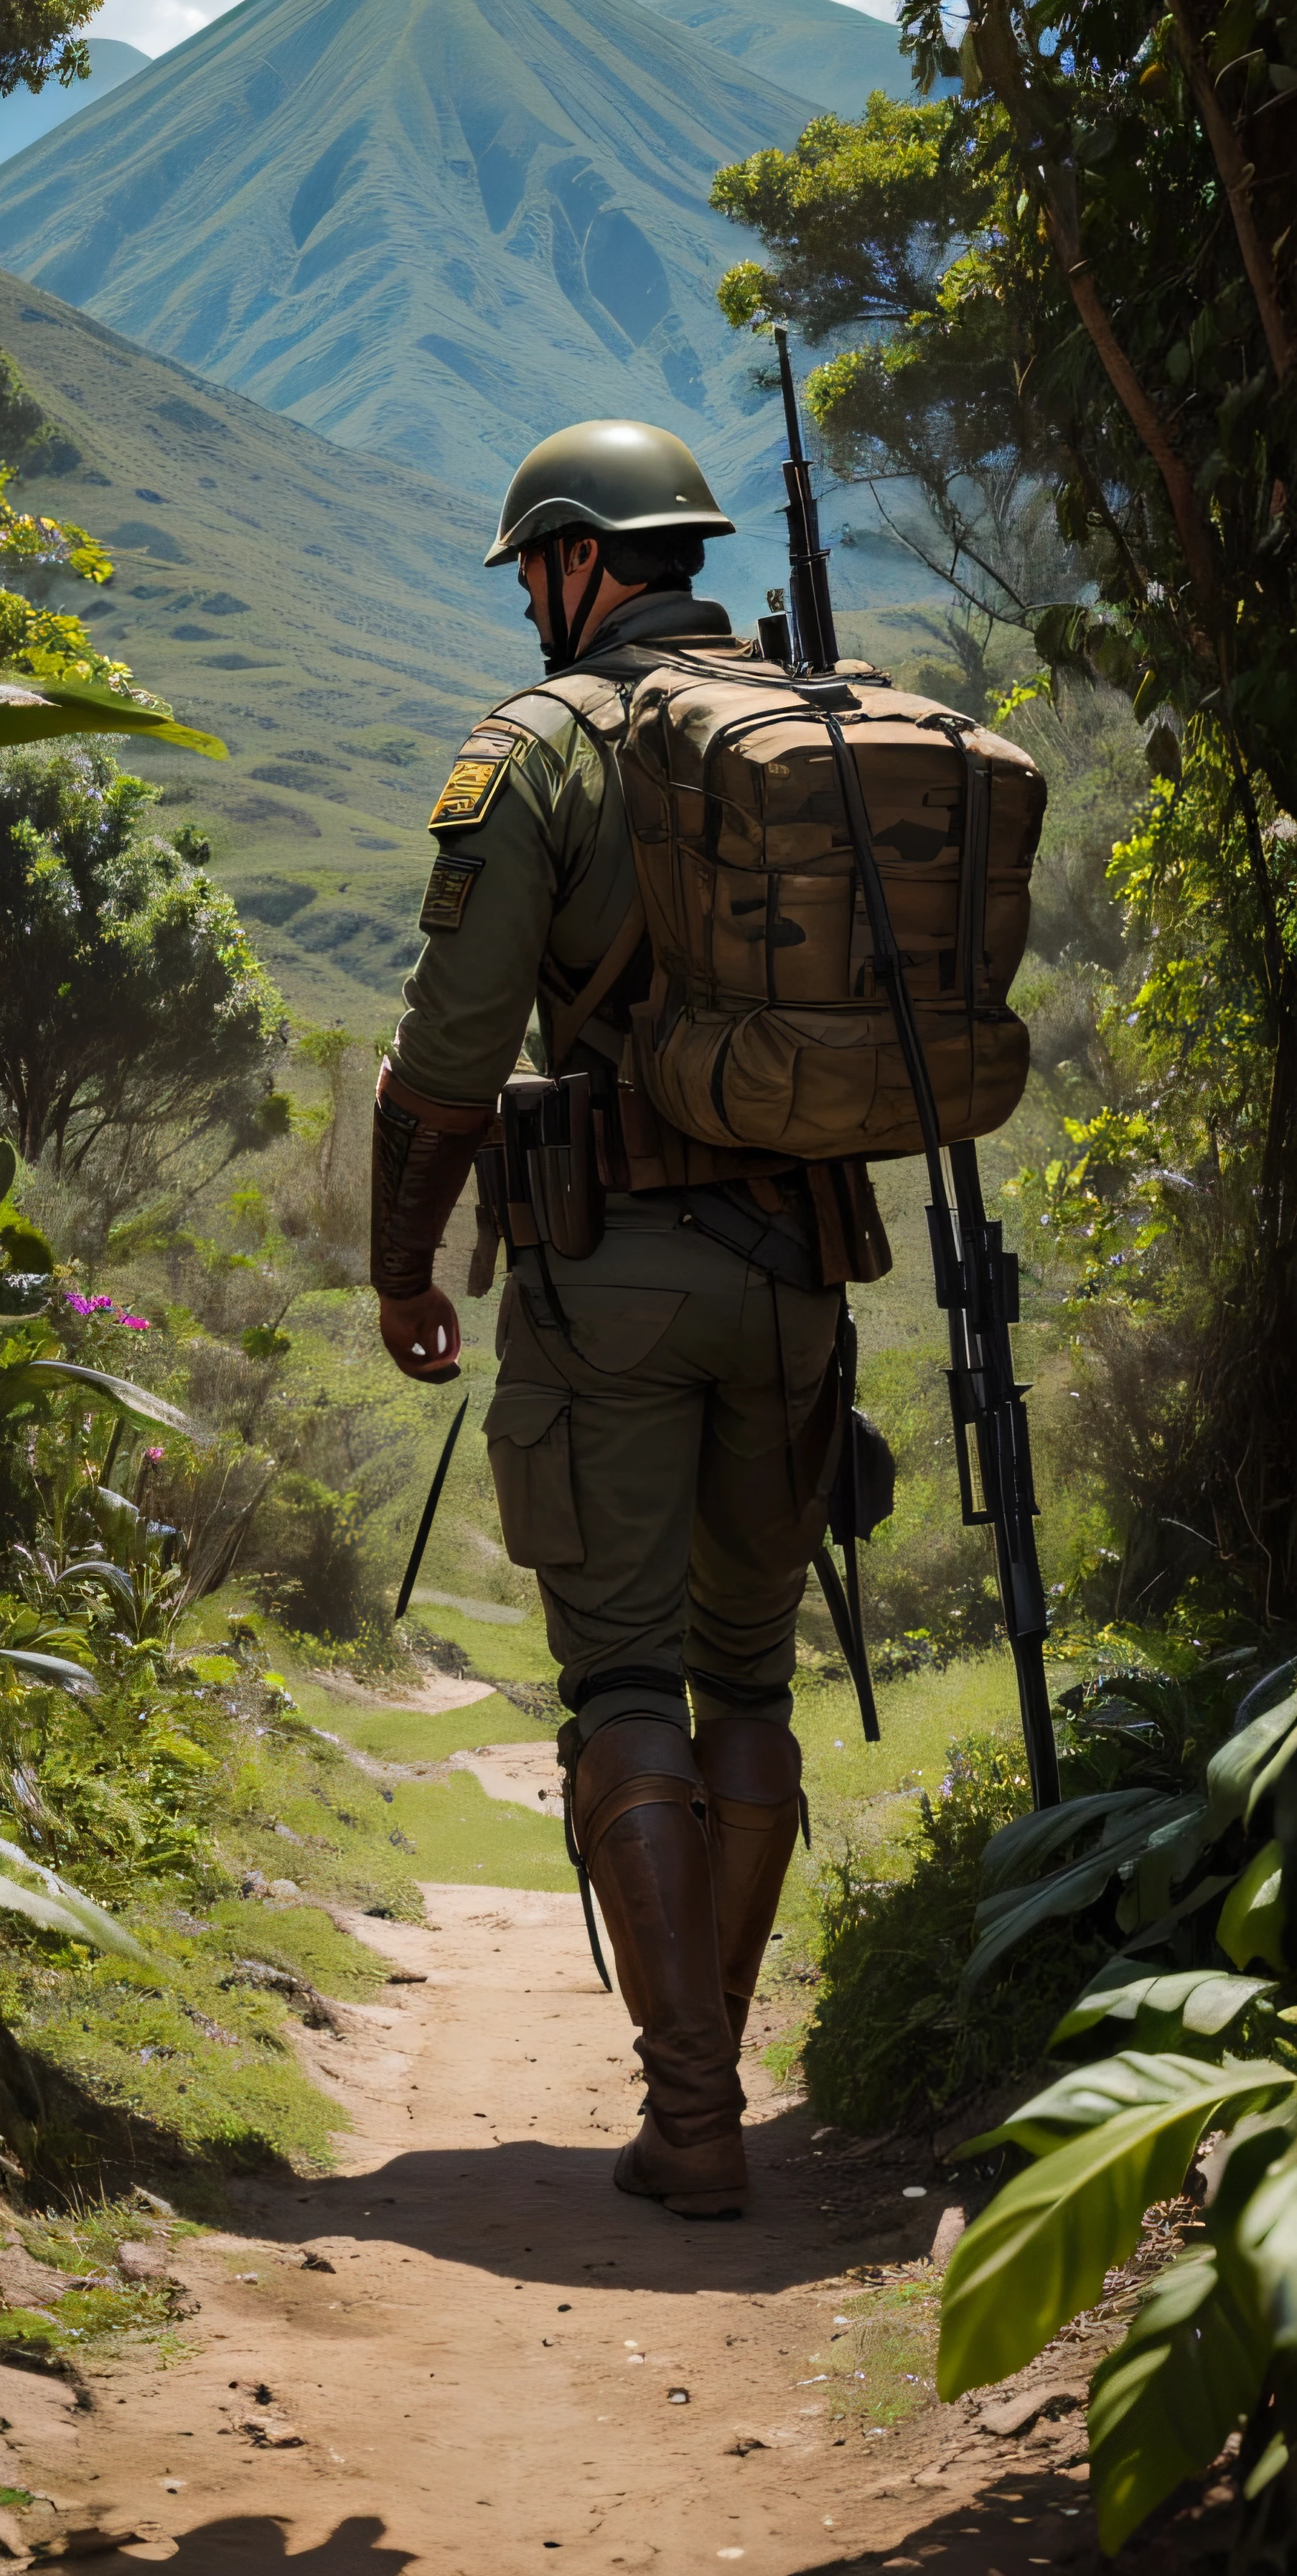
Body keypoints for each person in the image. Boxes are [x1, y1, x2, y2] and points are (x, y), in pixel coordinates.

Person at [370, 419, 889, 2218]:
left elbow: (451, 1050)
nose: (526, 593)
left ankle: (690, 2117)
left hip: (611, 1277)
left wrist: (399, 1261)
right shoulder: (814, 725)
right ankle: (714, 2070)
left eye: (532, 563)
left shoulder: (539, 751)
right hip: (804, 1277)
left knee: (618, 1674)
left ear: (585, 558)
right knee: (748, 1666)